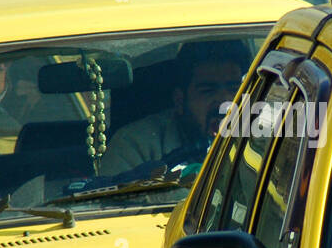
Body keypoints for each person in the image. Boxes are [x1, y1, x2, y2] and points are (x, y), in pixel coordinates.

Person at [99, 41, 248, 176]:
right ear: (179, 100)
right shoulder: (135, 145)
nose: (225, 103)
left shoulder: (261, 139)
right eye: (208, 91)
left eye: (235, 90)